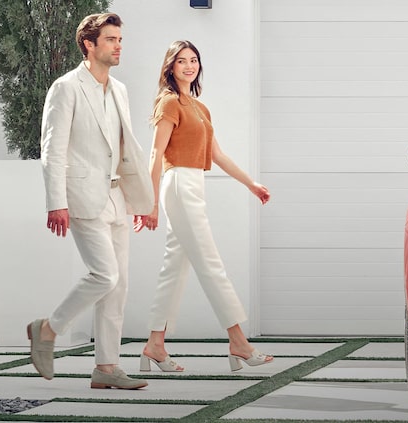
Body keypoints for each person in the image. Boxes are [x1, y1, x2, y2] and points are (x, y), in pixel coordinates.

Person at [30, 12, 153, 390]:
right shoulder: (66, 88)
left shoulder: (119, 90)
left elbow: (124, 148)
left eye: (120, 39)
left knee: (119, 287)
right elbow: (53, 150)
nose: (119, 46)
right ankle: (48, 329)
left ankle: (106, 367)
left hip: (117, 197)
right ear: (89, 44)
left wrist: (140, 199)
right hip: (82, 196)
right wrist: (56, 201)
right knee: (105, 274)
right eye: (111, 39)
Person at [136, 40, 273, 373]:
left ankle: (155, 345)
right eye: (181, 61)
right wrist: (149, 202)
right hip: (178, 184)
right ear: (170, 67)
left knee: (175, 267)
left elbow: (218, 155)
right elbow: (155, 154)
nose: (188, 66)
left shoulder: (199, 108)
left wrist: (251, 184)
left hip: (194, 184)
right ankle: (238, 342)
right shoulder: (169, 103)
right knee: (210, 263)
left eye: (193, 60)